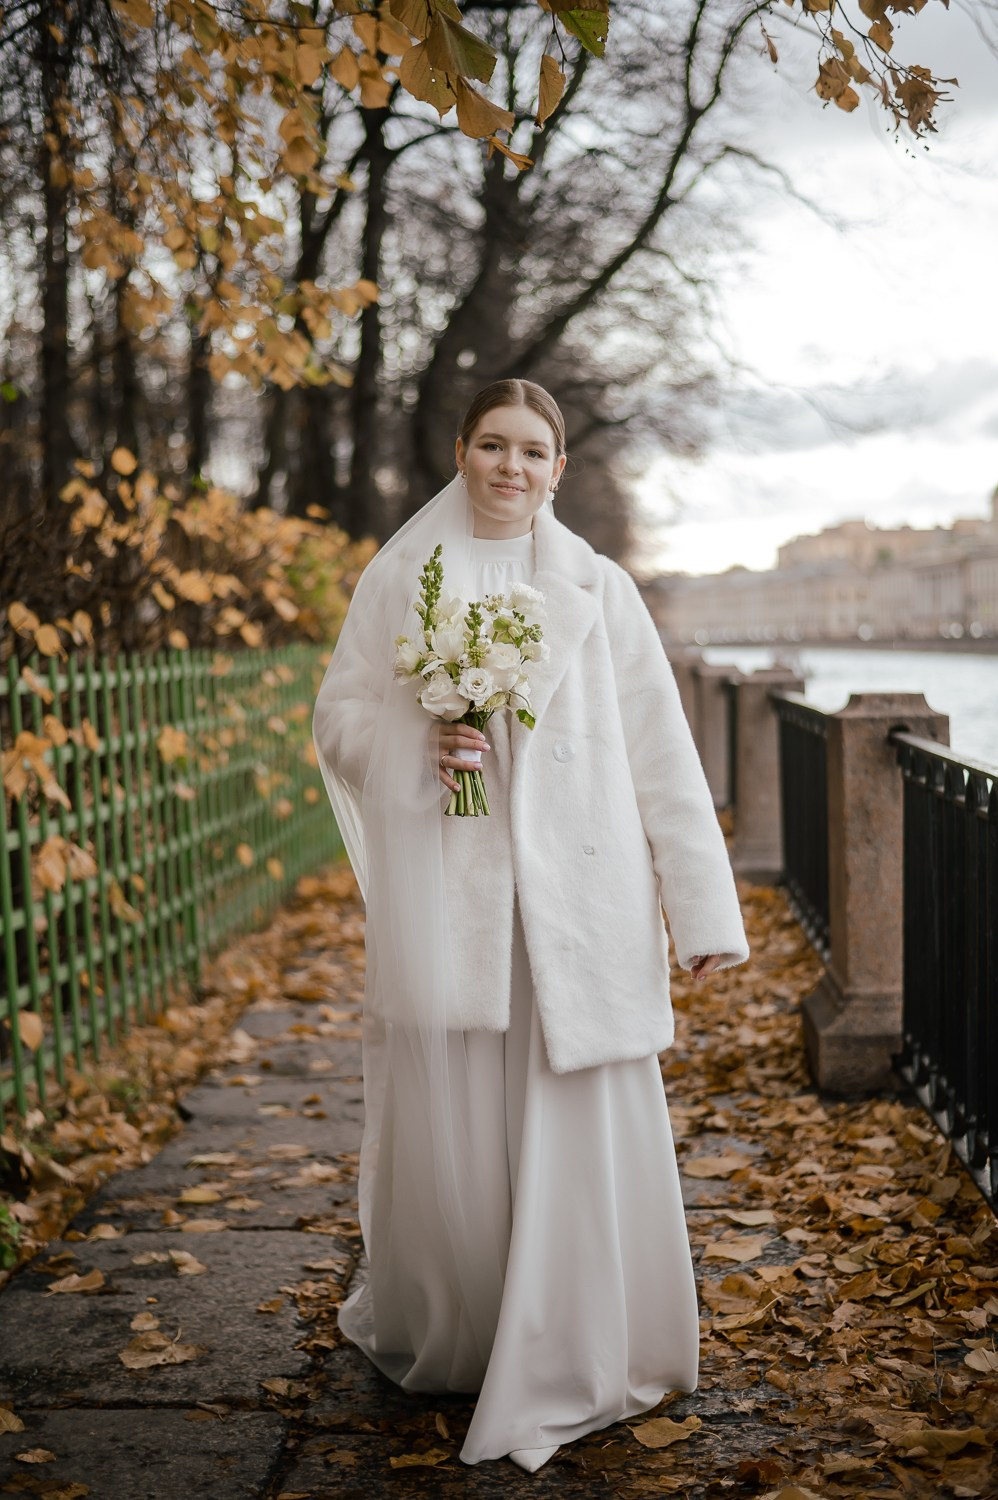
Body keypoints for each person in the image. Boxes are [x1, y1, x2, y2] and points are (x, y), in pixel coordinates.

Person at [312, 378, 750, 1471]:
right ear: (460, 452)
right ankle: (466, 1323)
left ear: (558, 469)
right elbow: (341, 717)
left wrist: (698, 908)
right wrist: (419, 744)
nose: (511, 466)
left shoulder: (597, 588)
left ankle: (583, 1343)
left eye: (533, 450)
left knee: (571, 1103)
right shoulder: (404, 577)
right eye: (492, 445)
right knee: (468, 1109)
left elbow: (660, 752)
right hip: (460, 893)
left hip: (581, 899)